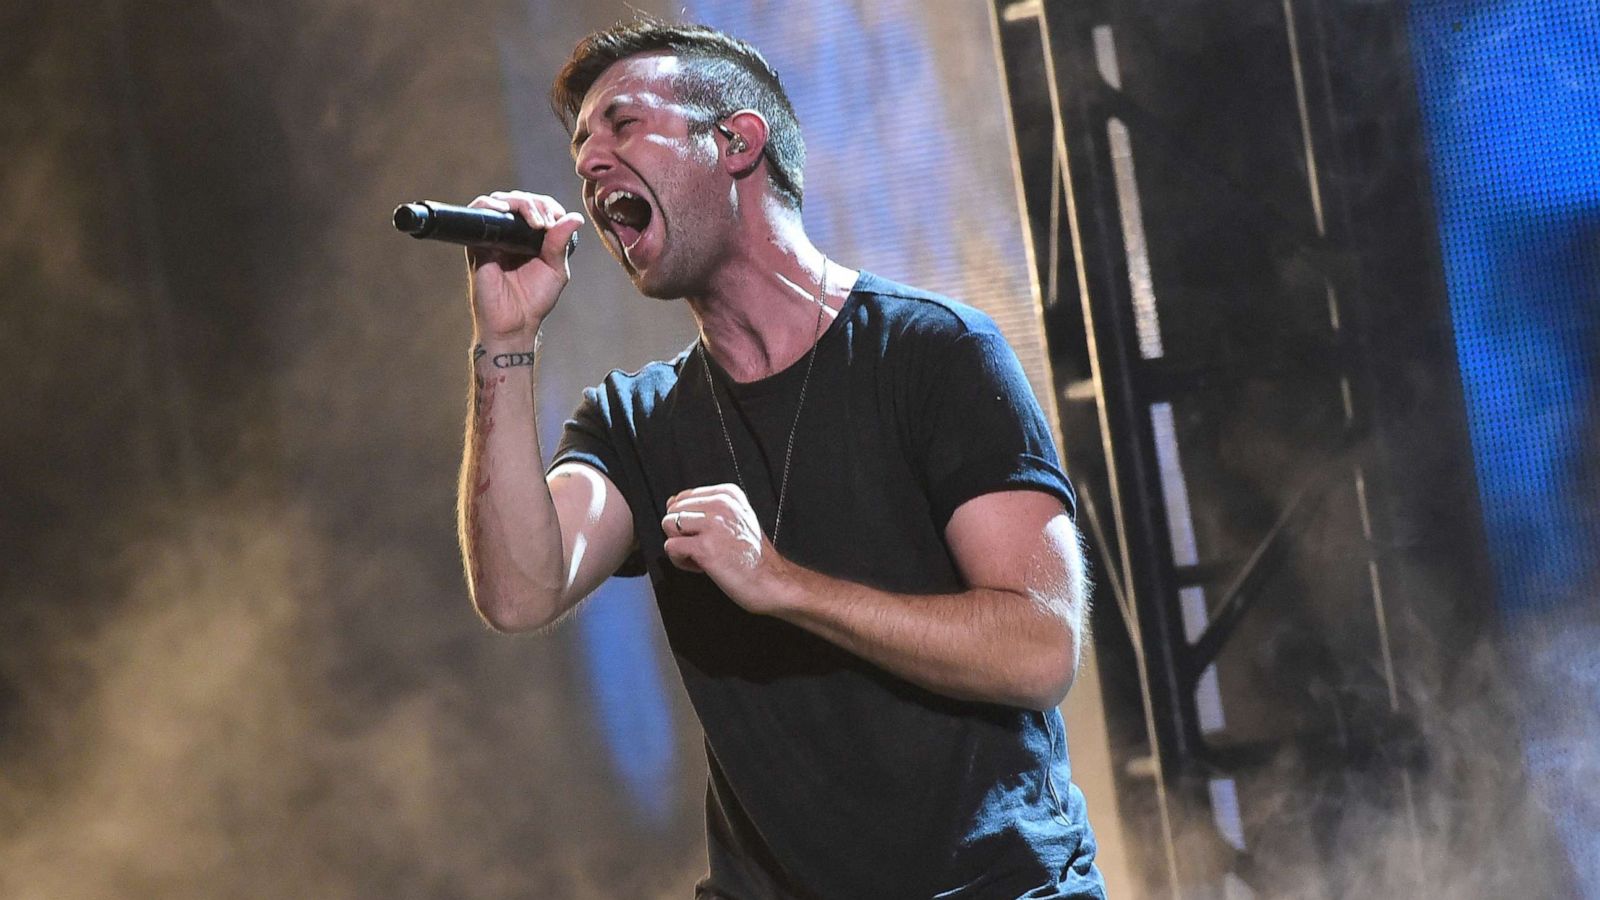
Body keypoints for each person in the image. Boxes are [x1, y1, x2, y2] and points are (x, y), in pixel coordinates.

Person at [456, 19, 1106, 900]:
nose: (590, 163)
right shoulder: (634, 421)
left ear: (736, 142)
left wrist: (782, 583)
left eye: (621, 124)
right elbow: (519, 588)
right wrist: (504, 341)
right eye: (579, 146)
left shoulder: (933, 353)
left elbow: (1038, 648)